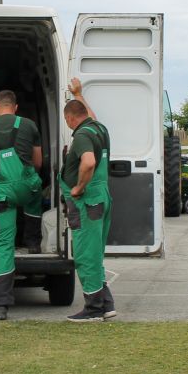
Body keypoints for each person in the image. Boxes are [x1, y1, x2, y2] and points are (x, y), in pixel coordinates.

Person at [0, 90, 43, 320]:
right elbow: (38, 162)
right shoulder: (29, 125)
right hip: (25, 187)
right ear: (15, 108)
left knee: (3, 245)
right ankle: (33, 241)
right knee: (37, 190)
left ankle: (2, 304)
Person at [60, 78, 116, 322]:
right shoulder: (98, 128)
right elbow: (90, 115)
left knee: (84, 255)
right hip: (101, 196)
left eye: (67, 120)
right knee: (95, 253)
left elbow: (89, 162)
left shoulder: (82, 135)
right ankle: (106, 304)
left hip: (87, 201)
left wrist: (78, 187)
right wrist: (79, 94)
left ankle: (93, 309)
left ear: (70, 118)